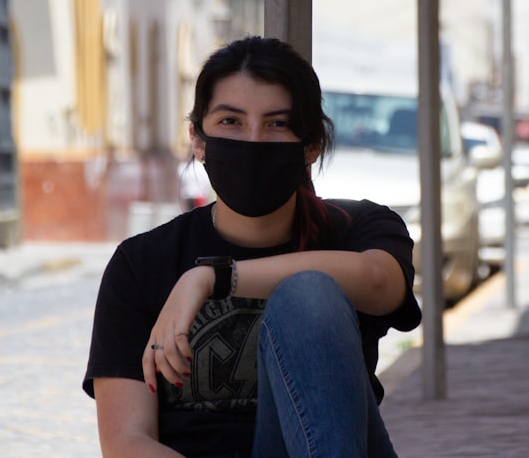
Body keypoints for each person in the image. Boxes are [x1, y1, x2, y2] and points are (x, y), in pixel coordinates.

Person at [83, 36, 422, 457]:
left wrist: (212, 278)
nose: (253, 141)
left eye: (277, 124)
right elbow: (126, 442)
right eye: (231, 121)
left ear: (312, 144)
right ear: (198, 139)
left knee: (308, 292)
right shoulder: (141, 264)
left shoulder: (359, 228)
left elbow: (379, 280)